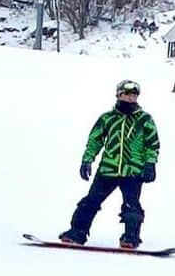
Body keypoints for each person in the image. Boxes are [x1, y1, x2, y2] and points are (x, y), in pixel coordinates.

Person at [60, 80, 160, 249]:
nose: (131, 98)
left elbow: (153, 144)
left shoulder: (144, 119)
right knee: (91, 201)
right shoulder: (107, 118)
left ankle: (130, 237)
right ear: (119, 95)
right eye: (127, 94)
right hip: (108, 169)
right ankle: (77, 232)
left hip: (133, 171)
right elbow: (95, 140)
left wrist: (150, 164)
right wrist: (87, 160)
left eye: (134, 95)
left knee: (131, 206)